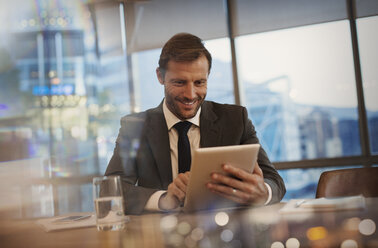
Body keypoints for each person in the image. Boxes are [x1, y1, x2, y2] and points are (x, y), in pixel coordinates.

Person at [105, 33, 286, 214]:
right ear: (160, 76)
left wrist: (263, 193)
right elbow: (111, 191)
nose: (190, 94)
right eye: (179, 82)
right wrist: (164, 199)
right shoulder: (134, 127)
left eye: (200, 82)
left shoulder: (235, 120)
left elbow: (274, 181)